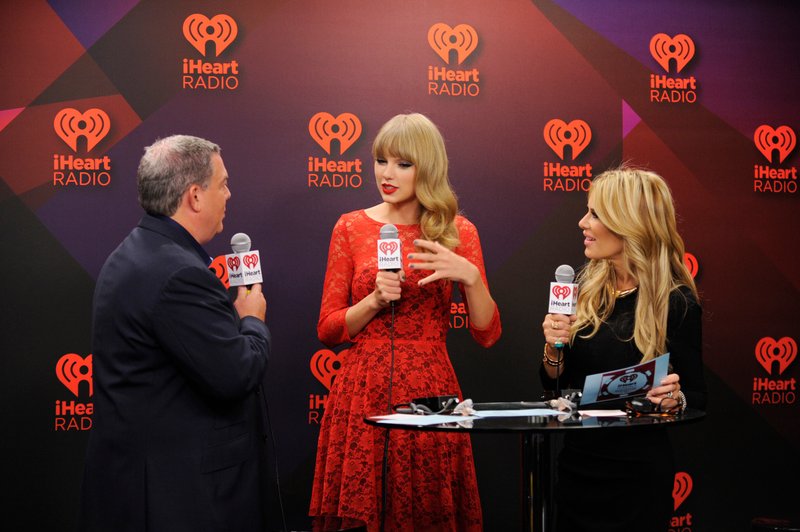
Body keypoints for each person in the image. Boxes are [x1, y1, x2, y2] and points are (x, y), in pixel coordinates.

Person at [309, 113, 502, 531]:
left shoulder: (458, 232)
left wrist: (469, 277)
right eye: (381, 160)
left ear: (427, 167)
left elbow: (487, 333)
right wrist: (375, 299)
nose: (387, 174)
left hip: (431, 389)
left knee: (425, 513)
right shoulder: (350, 227)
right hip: (362, 389)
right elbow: (328, 328)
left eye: (403, 163)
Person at [78, 135, 272, 532]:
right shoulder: (178, 273)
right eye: (223, 184)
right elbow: (236, 374)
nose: (230, 194)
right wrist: (252, 321)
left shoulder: (134, 252)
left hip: (137, 485)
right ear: (195, 196)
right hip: (174, 497)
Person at [540, 166, 707, 532]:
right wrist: (553, 348)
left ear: (629, 222)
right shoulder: (585, 293)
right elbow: (556, 386)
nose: (583, 222)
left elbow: (697, 395)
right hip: (578, 469)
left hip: (636, 478)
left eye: (595, 213)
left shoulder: (676, 302)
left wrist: (674, 398)